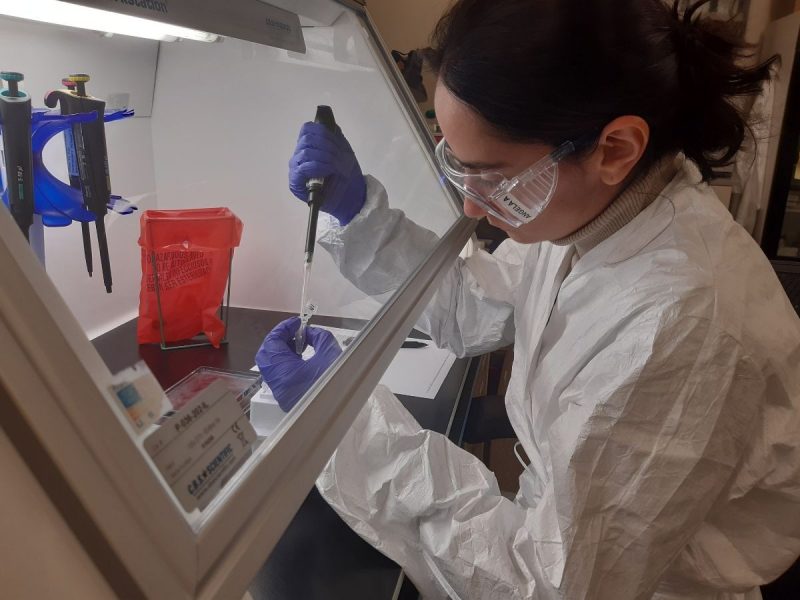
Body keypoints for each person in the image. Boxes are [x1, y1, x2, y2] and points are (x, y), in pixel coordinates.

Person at [256, 0, 800, 598]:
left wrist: (346, 423)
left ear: (615, 149)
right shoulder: (596, 217)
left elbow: (552, 585)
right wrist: (359, 214)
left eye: (493, 175)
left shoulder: (682, 322)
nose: (472, 206)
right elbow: (475, 306)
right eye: (458, 165)